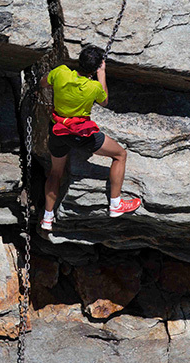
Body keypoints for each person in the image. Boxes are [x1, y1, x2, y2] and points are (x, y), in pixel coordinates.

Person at [39, 45, 141, 232]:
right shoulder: (93, 87)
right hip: (79, 135)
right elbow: (104, 101)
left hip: (57, 130)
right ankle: (116, 204)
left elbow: (43, 83)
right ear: (95, 67)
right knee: (120, 155)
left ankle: (47, 217)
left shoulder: (61, 72)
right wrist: (102, 74)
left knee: (55, 173)